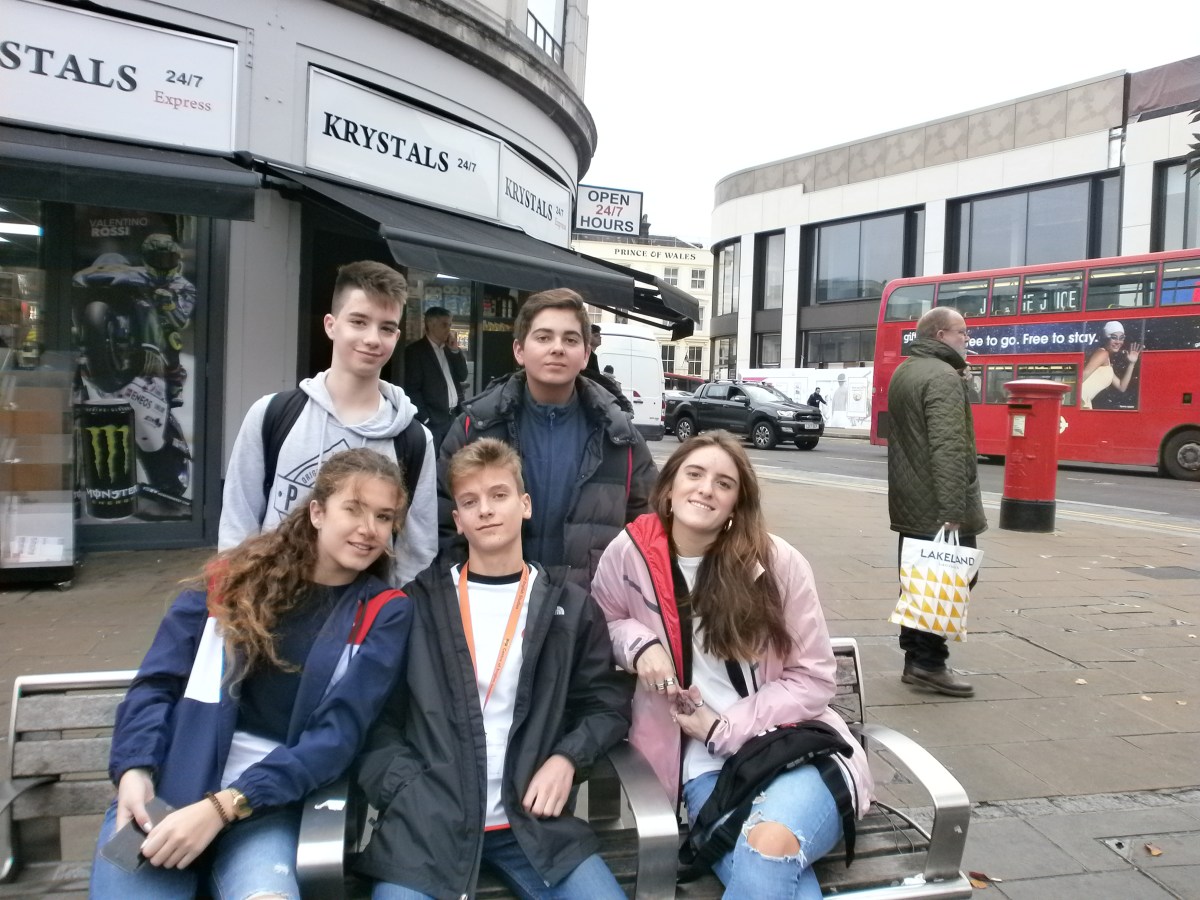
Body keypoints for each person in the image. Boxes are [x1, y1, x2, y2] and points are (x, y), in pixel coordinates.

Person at [91, 449, 414, 897]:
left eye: (383, 517)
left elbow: (336, 737)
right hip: (169, 793)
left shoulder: (383, 613)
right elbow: (156, 684)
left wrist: (224, 806)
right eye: (353, 509)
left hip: (268, 808)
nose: (368, 529)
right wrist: (134, 771)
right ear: (317, 513)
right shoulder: (230, 582)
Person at [591, 431, 874, 899]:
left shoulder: (777, 564)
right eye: (695, 474)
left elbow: (813, 678)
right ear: (669, 487)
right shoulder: (629, 553)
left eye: (724, 483)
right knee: (772, 873)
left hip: (792, 750)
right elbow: (604, 621)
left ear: (736, 504)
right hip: (707, 770)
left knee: (767, 849)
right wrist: (641, 645)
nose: (706, 489)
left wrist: (724, 727)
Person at [356, 438, 632, 899]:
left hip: (534, 827)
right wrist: (407, 790)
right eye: (470, 502)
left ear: (525, 505)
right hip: (427, 830)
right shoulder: (415, 607)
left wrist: (567, 758)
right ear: (458, 520)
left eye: (499, 495)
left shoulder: (570, 607)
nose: (485, 509)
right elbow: (373, 722)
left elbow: (606, 704)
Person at [219, 260, 438, 587]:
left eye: (386, 328)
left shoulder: (414, 440)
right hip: (269, 603)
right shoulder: (272, 415)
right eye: (359, 322)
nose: (372, 339)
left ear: (396, 336)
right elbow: (238, 525)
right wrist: (236, 599)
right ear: (331, 325)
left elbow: (416, 553)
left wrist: (396, 611)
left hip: (365, 613)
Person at [437, 288, 655, 590]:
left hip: (590, 606)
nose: (557, 348)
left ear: (585, 355)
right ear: (519, 350)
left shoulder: (619, 437)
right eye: (543, 337)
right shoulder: (474, 428)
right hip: (491, 600)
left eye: (570, 339)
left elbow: (646, 532)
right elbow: (443, 523)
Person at [886, 307, 985, 697]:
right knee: (951, 578)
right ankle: (929, 664)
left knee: (919, 580)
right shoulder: (942, 377)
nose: (968, 339)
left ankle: (915, 660)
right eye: (963, 332)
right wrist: (952, 510)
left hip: (911, 500)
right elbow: (948, 447)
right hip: (937, 506)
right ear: (941, 334)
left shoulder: (906, 370)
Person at [404, 305, 468, 450]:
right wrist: (425, 418)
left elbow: (462, 375)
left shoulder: (449, 349)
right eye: (444, 325)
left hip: (453, 416)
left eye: (450, 325)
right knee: (436, 460)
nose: (448, 330)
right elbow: (412, 389)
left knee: (454, 459)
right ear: (431, 325)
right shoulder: (416, 352)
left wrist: (455, 351)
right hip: (433, 421)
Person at [1080, 321, 1142, 410]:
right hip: (1080, 400)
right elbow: (1084, 374)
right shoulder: (1103, 353)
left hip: (1083, 402)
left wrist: (1132, 363)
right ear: (1106, 338)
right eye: (1114, 338)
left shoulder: (1107, 362)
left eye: (1121, 338)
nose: (1118, 342)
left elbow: (1121, 387)